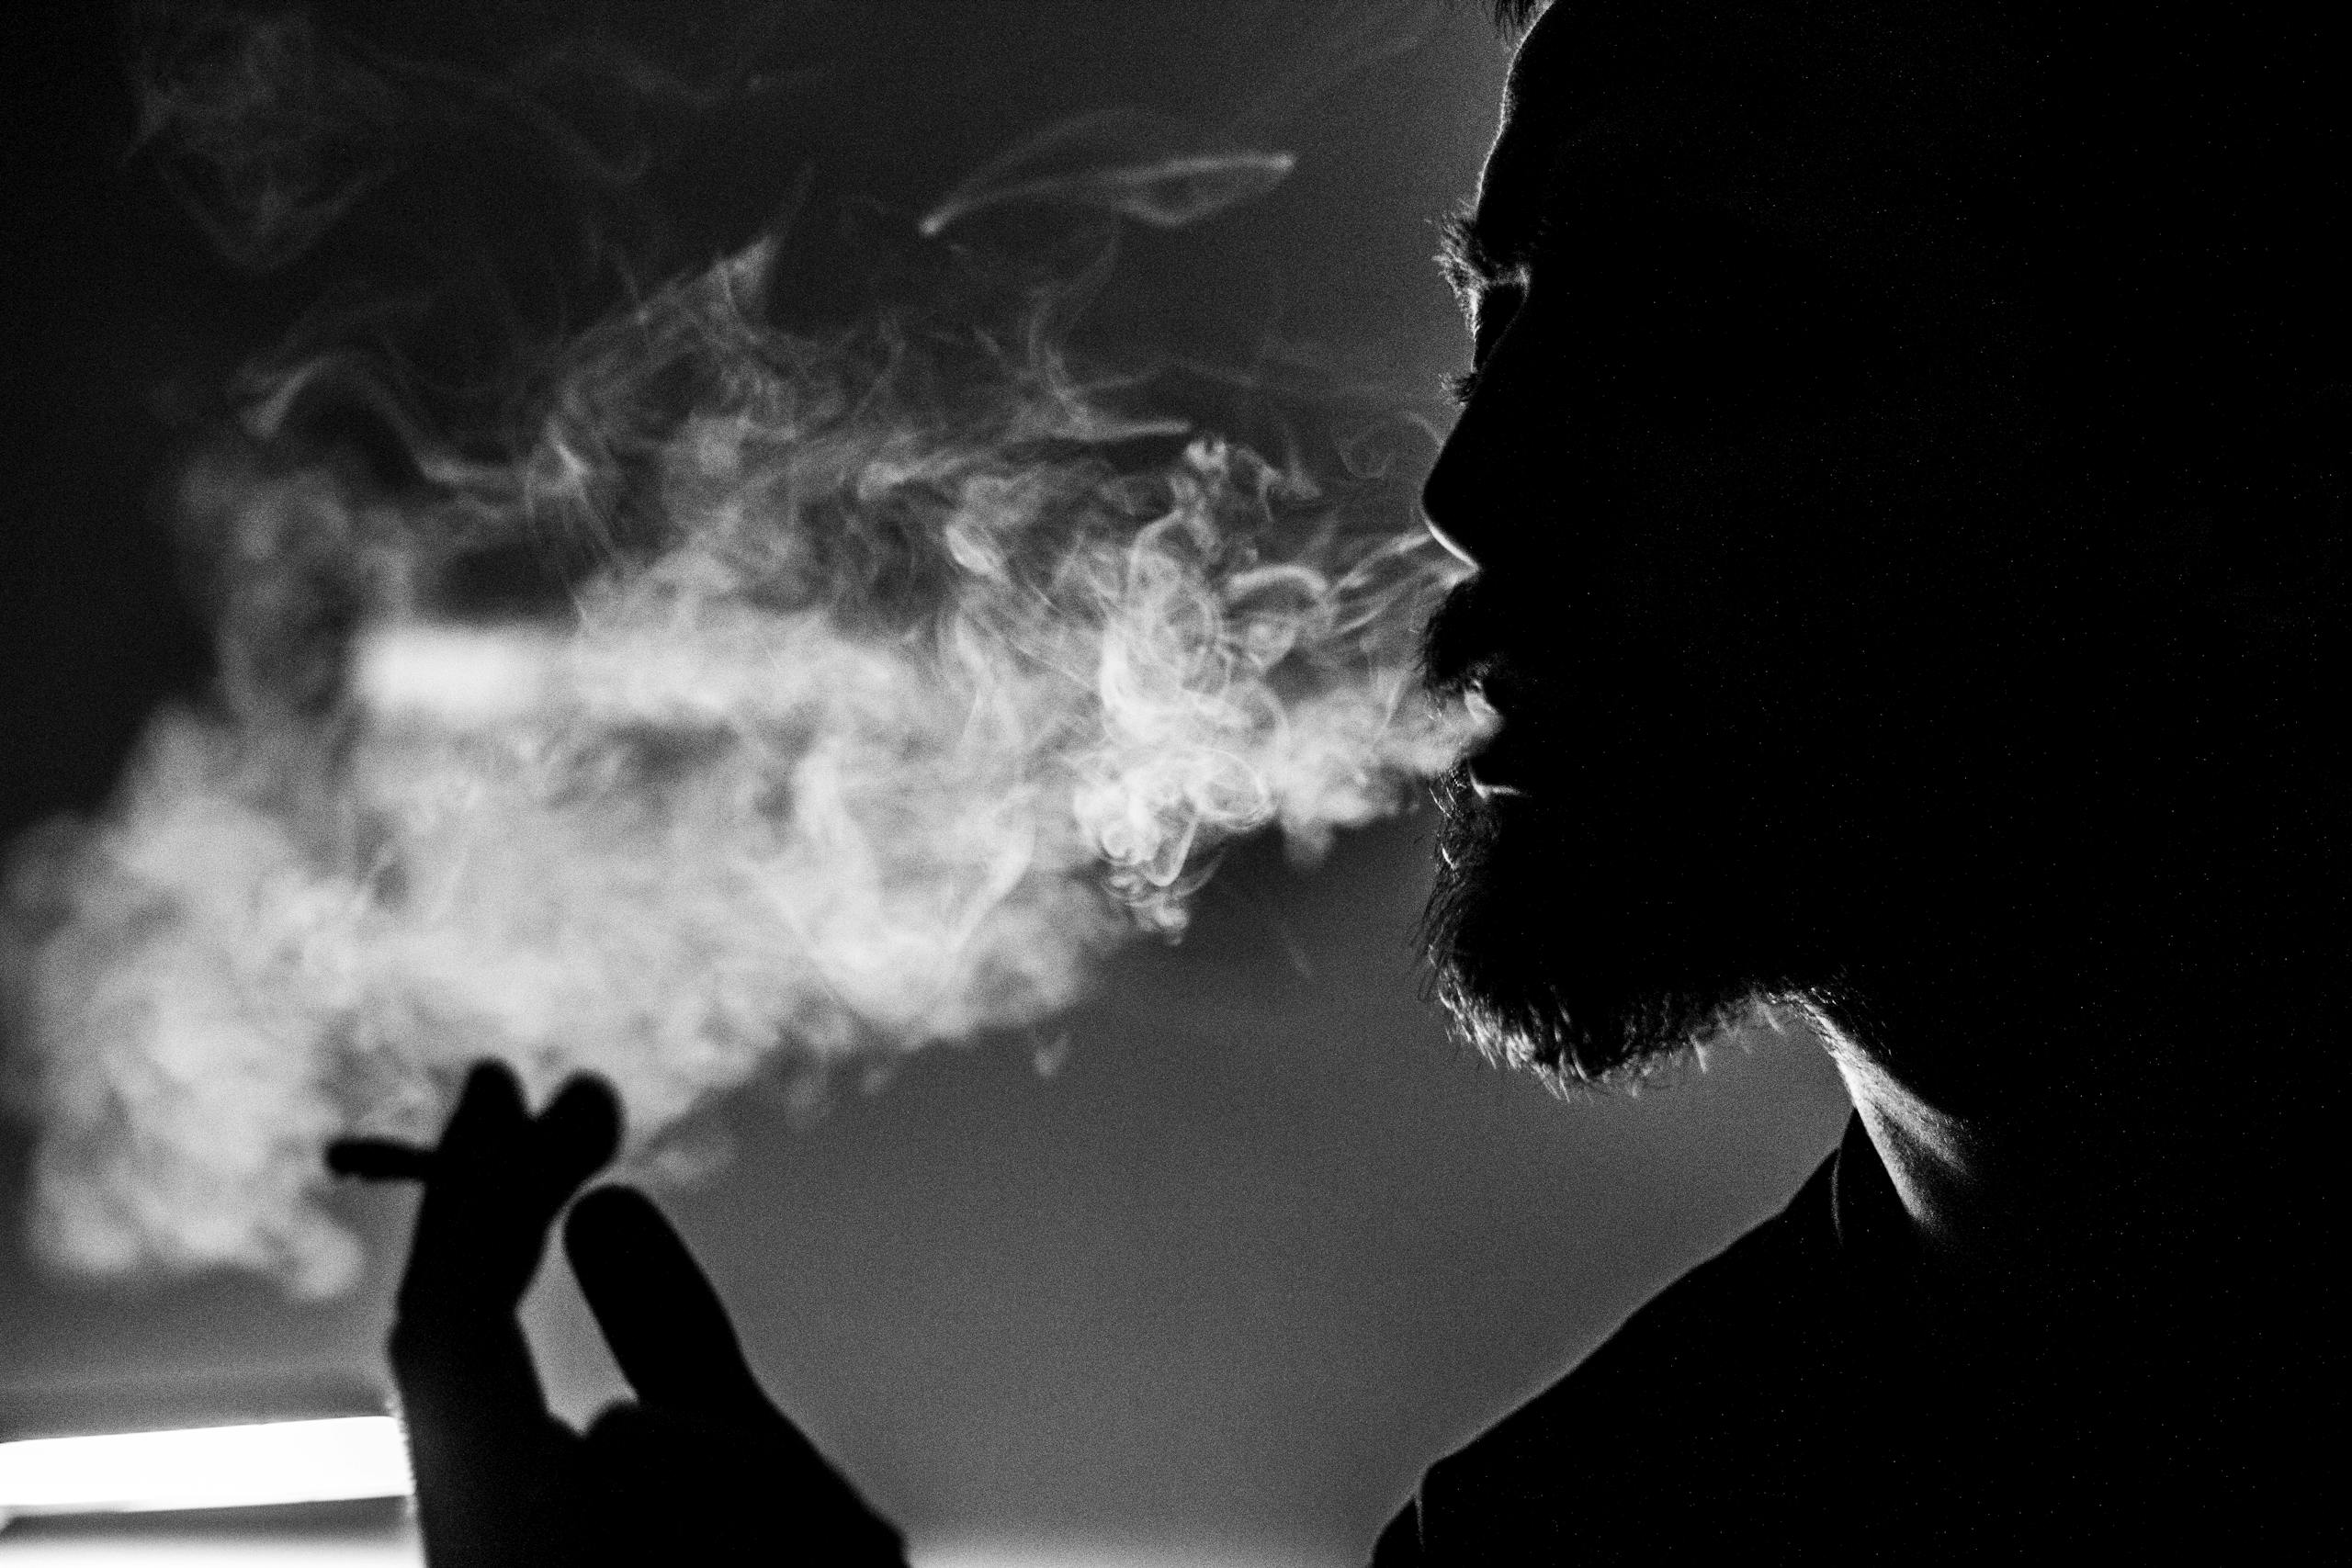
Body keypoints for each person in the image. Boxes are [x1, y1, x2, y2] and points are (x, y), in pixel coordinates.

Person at [339, 1, 2341, 1560]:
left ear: (2229, 465)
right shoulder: (1565, 1546)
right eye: (1500, 329)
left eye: (1692, 327)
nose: (1474, 490)